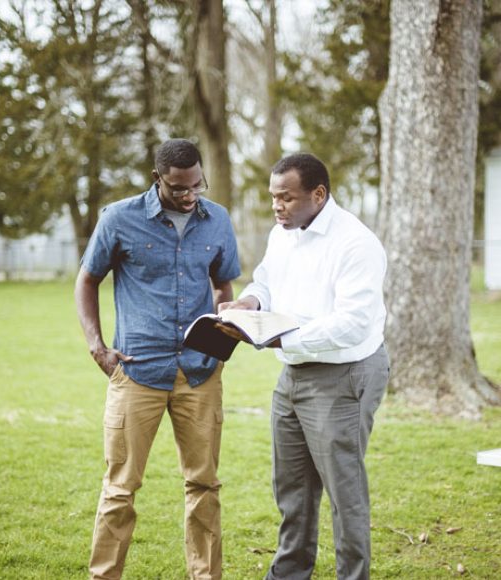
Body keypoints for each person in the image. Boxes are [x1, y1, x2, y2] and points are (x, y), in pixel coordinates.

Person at [74, 138, 240, 580]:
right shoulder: (119, 218)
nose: (189, 196)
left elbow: (224, 285)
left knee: (204, 484)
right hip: (137, 370)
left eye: (196, 186)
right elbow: (87, 280)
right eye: (178, 188)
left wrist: (224, 330)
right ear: (157, 180)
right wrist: (97, 344)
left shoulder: (218, 219)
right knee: (119, 488)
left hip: (201, 373)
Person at [218, 153, 389, 580]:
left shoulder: (356, 243)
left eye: (287, 198)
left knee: (343, 491)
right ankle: (290, 574)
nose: (278, 206)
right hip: (292, 374)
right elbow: (266, 280)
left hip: (343, 375)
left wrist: (280, 338)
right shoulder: (283, 234)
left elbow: (353, 324)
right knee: (292, 487)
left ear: (318, 194)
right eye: (274, 197)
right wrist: (252, 302)